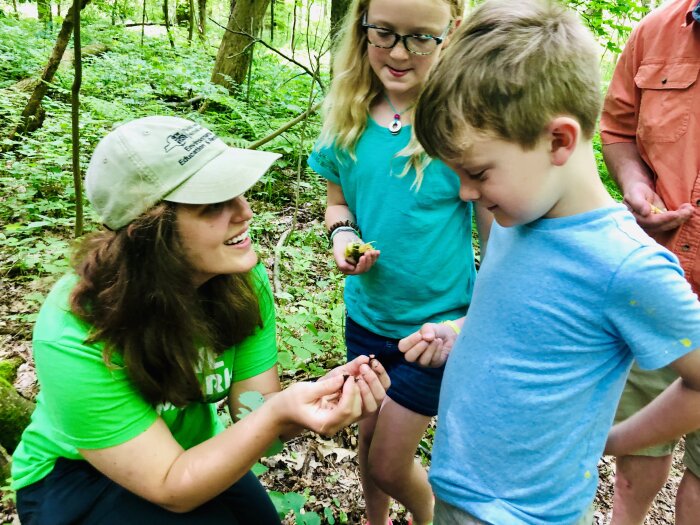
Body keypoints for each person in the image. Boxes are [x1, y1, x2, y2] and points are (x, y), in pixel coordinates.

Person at [397, 1, 700, 523]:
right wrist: (461, 333)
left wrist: (617, 439)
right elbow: (526, 318)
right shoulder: (519, 217)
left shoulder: (625, 266)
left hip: (526, 513)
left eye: (478, 172)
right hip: (458, 489)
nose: (467, 193)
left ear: (558, 140)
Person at [10, 116, 390, 525]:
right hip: (76, 477)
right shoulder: (76, 328)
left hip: (187, 449)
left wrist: (309, 403)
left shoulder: (239, 278)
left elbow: (252, 414)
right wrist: (279, 413)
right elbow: (171, 486)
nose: (245, 212)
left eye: (238, 193)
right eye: (214, 204)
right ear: (148, 232)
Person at [307, 0, 489, 523]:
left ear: (450, 34)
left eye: (420, 38)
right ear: (361, 27)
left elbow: (502, 249)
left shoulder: (460, 127)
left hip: (435, 333)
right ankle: (376, 519)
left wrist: (462, 325)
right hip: (367, 320)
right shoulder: (347, 116)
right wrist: (344, 237)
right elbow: (338, 202)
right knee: (367, 446)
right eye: (383, 33)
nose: (399, 53)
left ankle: (432, 516)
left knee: (389, 462)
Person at [599, 1, 700, 522]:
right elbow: (616, 130)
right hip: (657, 286)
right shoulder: (656, 31)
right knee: (637, 461)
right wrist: (637, 188)